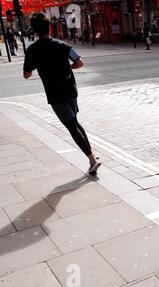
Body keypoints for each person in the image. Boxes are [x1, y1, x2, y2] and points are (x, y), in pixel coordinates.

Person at [23, 12, 101, 175]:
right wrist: (68, 68)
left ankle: (92, 159)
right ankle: (91, 152)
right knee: (75, 122)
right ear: (49, 27)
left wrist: (38, 66)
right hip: (70, 90)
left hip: (55, 95)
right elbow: (80, 62)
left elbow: (27, 74)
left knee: (72, 127)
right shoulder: (63, 45)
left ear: (35, 30)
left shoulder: (32, 50)